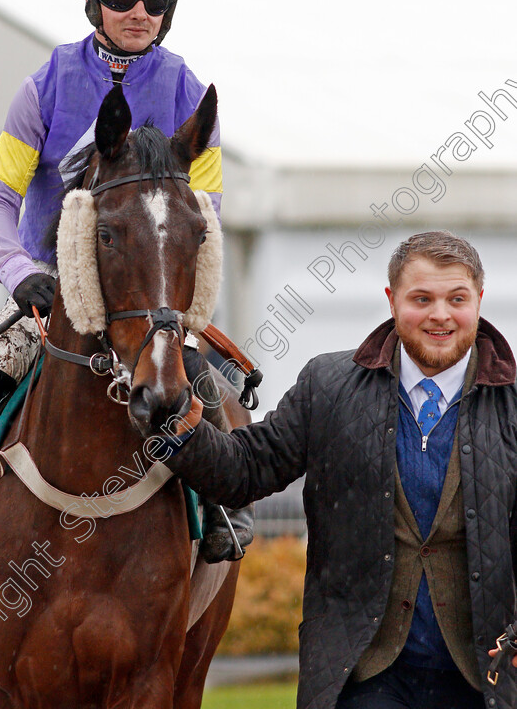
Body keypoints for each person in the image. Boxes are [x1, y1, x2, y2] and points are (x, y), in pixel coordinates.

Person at [0, 0, 253, 561]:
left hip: (147, 287)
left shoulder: (187, 91)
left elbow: (207, 210)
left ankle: (222, 501)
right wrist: (18, 274)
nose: (141, 10)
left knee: (202, 383)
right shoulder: (43, 87)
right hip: (50, 283)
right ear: (92, 0)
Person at [161, 231, 517, 709]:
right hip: (360, 674)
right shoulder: (327, 386)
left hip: (488, 677)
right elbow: (245, 469)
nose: (440, 315)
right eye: (421, 298)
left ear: (479, 299)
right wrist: (179, 426)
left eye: (457, 298)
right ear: (392, 301)